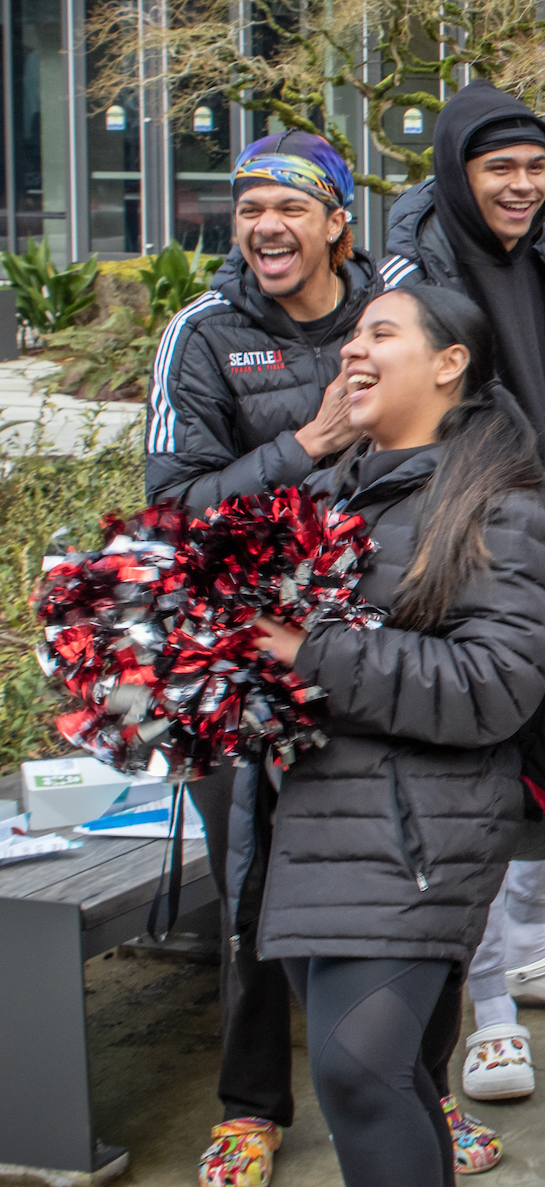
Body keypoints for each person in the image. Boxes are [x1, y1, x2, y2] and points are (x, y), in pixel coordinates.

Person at [248, 286, 545, 1187]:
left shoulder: (503, 503)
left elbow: (497, 686)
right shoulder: (333, 495)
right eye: (350, 335)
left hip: (421, 832)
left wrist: (308, 653)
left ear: (449, 361)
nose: (353, 349)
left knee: (361, 1073)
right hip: (323, 827)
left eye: (379, 333)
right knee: (383, 1081)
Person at [382, 80, 545, 1102]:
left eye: (536, 167)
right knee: (485, 785)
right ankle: (488, 1012)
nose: (522, 186)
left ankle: (528, 941)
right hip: (468, 559)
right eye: (500, 168)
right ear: (457, 170)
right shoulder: (412, 270)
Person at [148, 132, 386, 1187]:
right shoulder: (202, 334)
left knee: (394, 878)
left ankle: (417, 1087)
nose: (264, 227)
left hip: (373, 646)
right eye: (249, 208)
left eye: (288, 206)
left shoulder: (397, 321)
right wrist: (308, 445)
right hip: (238, 660)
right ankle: (251, 1106)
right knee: (251, 878)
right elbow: (170, 509)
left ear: (336, 220)